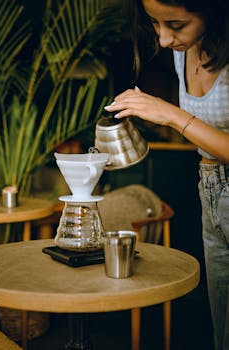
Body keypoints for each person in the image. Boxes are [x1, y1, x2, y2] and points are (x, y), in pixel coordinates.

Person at [104, 0, 229, 349]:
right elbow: (205, 135)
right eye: (155, 24)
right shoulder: (182, 51)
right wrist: (150, 114)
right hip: (210, 190)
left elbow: (186, 122)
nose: (163, 39)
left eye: (175, 24)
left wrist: (171, 114)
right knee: (221, 326)